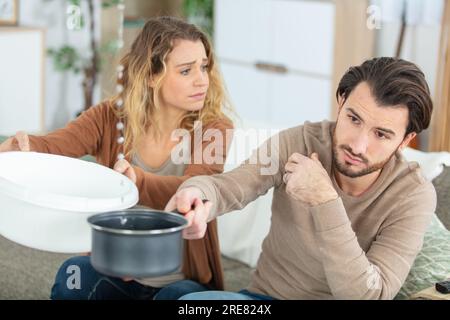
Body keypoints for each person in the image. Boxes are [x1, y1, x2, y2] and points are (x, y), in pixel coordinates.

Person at [0, 16, 233, 300]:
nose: (202, 80)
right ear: (151, 75)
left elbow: (195, 189)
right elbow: (56, 145)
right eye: (186, 71)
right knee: (72, 276)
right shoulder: (110, 117)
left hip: (181, 281)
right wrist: (23, 146)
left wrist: (139, 181)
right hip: (116, 271)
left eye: (204, 67)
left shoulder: (214, 128)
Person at [166, 57, 436, 300]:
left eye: (381, 134)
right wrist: (197, 194)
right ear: (341, 102)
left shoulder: (413, 195)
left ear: (406, 140)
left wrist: (324, 200)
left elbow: (368, 295)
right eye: (354, 119)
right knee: (179, 296)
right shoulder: (299, 142)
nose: (358, 145)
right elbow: (233, 185)